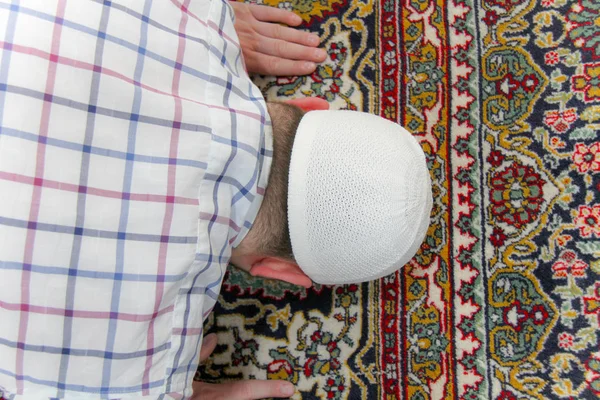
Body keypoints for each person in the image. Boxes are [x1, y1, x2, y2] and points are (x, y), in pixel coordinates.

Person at [0, 1, 432, 399]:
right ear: (279, 272)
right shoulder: (134, 374)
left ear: (310, 105)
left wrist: (208, 23)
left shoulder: (188, 9)